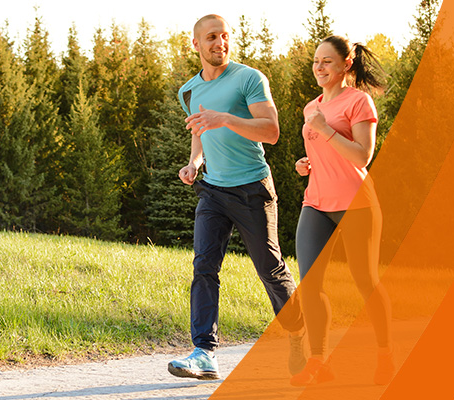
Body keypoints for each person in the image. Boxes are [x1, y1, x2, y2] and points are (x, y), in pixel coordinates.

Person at [167, 14, 307, 381]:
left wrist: (225, 118)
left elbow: (271, 131)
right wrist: (193, 163)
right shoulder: (189, 91)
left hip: (251, 188)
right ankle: (204, 352)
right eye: (212, 37)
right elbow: (200, 132)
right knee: (204, 266)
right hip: (212, 189)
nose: (220, 43)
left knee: (271, 270)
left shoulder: (248, 78)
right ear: (195, 43)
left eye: (225, 36)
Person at [288, 35, 395, 386]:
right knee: (311, 283)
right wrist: (307, 162)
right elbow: (325, 153)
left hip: (356, 203)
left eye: (327, 62)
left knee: (365, 280)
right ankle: (319, 361)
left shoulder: (358, 102)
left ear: (346, 65)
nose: (318, 67)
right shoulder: (310, 107)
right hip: (316, 202)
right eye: (315, 61)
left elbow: (362, 156)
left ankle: (385, 354)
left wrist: (325, 130)